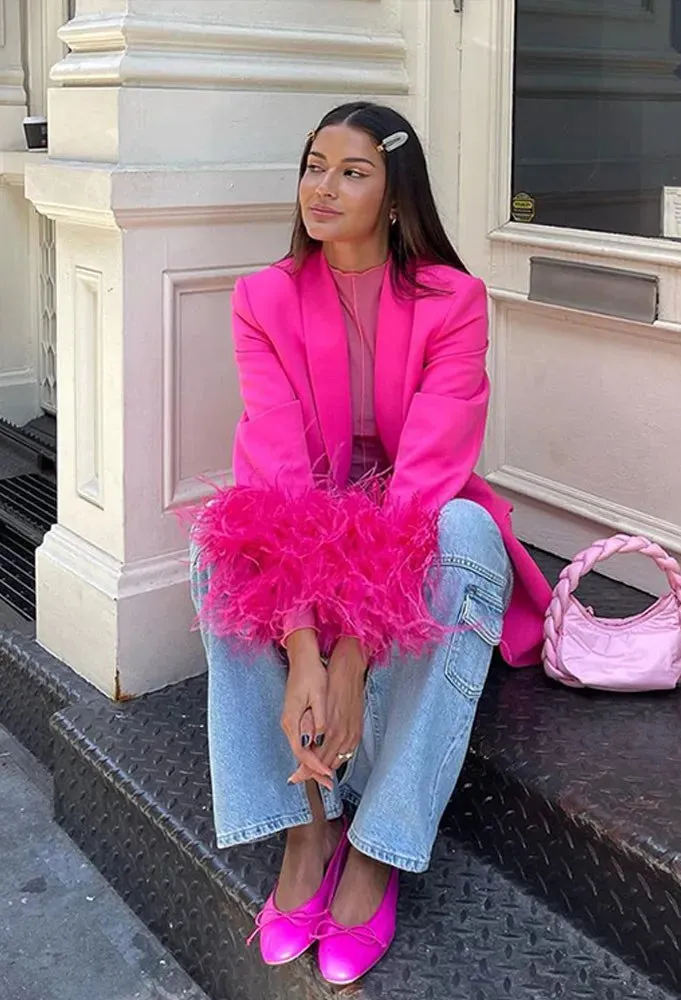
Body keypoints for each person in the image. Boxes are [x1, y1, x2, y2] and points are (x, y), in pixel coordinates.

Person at [189, 101, 551, 986]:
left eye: (352, 172)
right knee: (218, 546)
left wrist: (350, 654)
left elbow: (424, 482)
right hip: (308, 528)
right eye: (315, 166)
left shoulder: (454, 301)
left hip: (415, 527)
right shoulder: (263, 298)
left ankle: (377, 848)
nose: (323, 187)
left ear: (395, 198)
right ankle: (304, 828)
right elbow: (279, 481)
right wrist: (302, 647)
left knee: (463, 531)